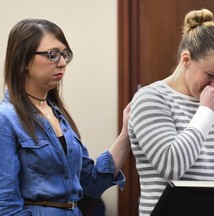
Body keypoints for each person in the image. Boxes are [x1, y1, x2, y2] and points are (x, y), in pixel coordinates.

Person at [0, 19, 130, 216]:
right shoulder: (6, 119)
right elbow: (6, 206)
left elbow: (93, 183)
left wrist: (126, 134)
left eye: (65, 54)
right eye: (52, 55)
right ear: (24, 60)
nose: (62, 63)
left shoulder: (59, 117)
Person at [128, 8, 214, 216]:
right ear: (186, 59)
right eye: (211, 74)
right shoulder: (150, 98)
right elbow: (171, 166)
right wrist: (206, 112)